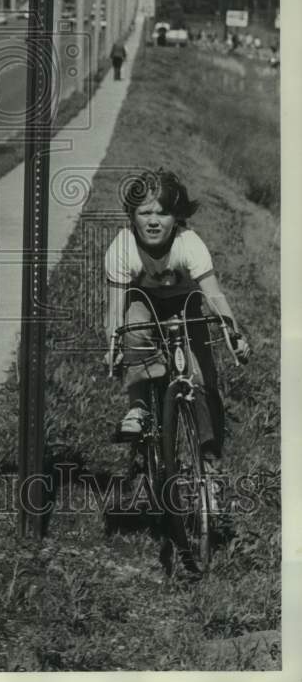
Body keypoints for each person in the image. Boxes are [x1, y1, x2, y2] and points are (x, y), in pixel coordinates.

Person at [103, 168, 250, 471]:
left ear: (178, 217)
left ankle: (208, 457)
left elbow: (213, 294)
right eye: (145, 213)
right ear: (132, 216)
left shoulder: (189, 243)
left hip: (185, 304)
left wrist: (234, 335)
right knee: (133, 330)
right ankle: (140, 408)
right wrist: (113, 345)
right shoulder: (122, 248)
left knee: (202, 379)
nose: (154, 221)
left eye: (164, 213)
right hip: (145, 303)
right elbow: (115, 310)